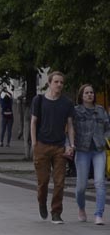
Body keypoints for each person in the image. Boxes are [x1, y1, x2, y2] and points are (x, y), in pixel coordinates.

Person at [30, 71, 76, 224]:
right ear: (49, 83)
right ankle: (42, 202)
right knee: (43, 182)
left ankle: (56, 212)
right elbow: (33, 122)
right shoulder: (39, 100)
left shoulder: (67, 103)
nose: (59, 85)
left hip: (59, 147)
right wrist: (34, 143)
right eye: (56, 82)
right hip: (42, 145)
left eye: (61, 82)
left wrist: (71, 145)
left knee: (59, 181)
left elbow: (69, 126)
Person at [73, 83, 110, 225]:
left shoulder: (101, 110)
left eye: (92, 93)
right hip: (82, 150)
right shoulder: (76, 111)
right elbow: (70, 128)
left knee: (100, 182)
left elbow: (108, 128)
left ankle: (98, 214)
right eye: (87, 93)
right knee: (81, 186)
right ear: (81, 96)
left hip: (98, 150)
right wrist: (70, 144)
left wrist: (105, 139)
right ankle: (81, 208)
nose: (90, 95)